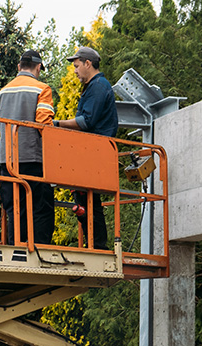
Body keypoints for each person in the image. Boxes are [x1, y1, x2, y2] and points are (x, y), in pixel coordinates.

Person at [53, 46, 118, 250]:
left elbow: (87, 121)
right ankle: (95, 242)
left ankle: (98, 244)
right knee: (85, 200)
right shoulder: (94, 86)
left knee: (88, 200)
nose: (75, 70)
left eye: (77, 66)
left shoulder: (98, 87)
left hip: (95, 150)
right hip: (91, 150)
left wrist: (57, 124)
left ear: (88, 64)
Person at [0, 50, 55, 245]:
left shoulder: (2, 92)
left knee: (15, 210)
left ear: (19, 67)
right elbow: (44, 123)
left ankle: (16, 249)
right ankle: (40, 252)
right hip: (33, 159)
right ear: (38, 68)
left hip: (7, 161)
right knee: (40, 208)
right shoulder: (42, 89)